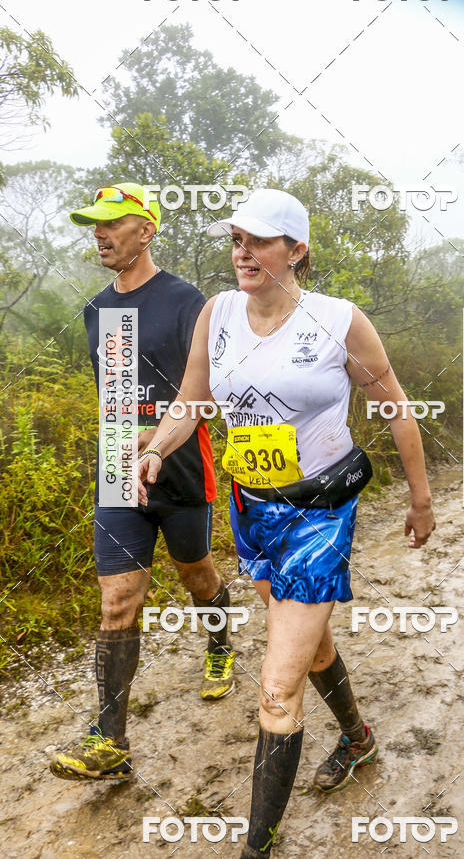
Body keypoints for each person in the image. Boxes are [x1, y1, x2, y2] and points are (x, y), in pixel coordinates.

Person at [136, 188, 436, 855]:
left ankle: (256, 848)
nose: (242, 251)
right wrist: (157, 448)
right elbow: (191, 402)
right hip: (251, 510)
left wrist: (420, 499)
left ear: (295, 250)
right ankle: (357, 737)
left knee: (276, 690)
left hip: (319, 512)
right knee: (305, 644)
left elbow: (396, 407)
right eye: (236, 239)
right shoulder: (216, 315)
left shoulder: (339, 321)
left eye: (259, 240)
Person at [50, 183, 236, 783]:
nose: (99, 235)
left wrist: (153, 435)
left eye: (113, 224)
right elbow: (114, 392)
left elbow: (203, 393)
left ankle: (218, 645)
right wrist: (118, 439)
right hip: (115, 466)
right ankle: (110, 739)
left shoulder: (189, 302)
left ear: (146, 230)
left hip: (180, 464)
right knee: (117, 603)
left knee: (196, 573)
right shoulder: (96, 308)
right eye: (94, 226)